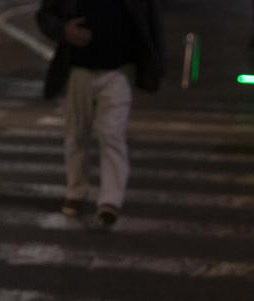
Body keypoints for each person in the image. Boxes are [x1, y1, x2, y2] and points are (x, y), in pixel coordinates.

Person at [36, 0, 164, 227]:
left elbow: (151, 22)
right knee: (77, 134)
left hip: (119, 70)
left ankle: (110, 201)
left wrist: (155, 65)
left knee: (111, 133)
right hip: (77, 68)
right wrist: (64, 31)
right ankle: (76, 191)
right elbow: (45, 15)